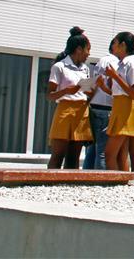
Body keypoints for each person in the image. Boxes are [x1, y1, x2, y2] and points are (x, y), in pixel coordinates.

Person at [46, 26, 94, 169]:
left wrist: (91, 90)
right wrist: (67, 91)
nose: (88, 54)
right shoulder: (59, 67)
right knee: (58, 155)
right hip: (65, 110)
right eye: (87, 49)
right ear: (79, 49)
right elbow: (49, 95)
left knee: (74, 157)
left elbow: (87, 91)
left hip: (82, 111)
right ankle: (49, 180)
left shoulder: (85, 68)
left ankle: (71, 181)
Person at [102, 32, 134, 172]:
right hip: (119, 107)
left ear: (123, 45)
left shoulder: (131, 64)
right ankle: (123, 181)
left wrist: (115, 76)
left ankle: (114, 181)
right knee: (121, 155)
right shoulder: (121, 64)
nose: (112, 46)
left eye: (115, 42)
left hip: (126, 109)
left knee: (109, 154)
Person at [83, 36, 120, 170]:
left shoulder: (100, 61)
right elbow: (113, 87)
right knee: (102, 152)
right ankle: (100, 178)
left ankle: (86, 175)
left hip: (94, 106)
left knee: (91, 150)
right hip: (107, 108)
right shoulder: (115, 62)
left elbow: (91, 85)